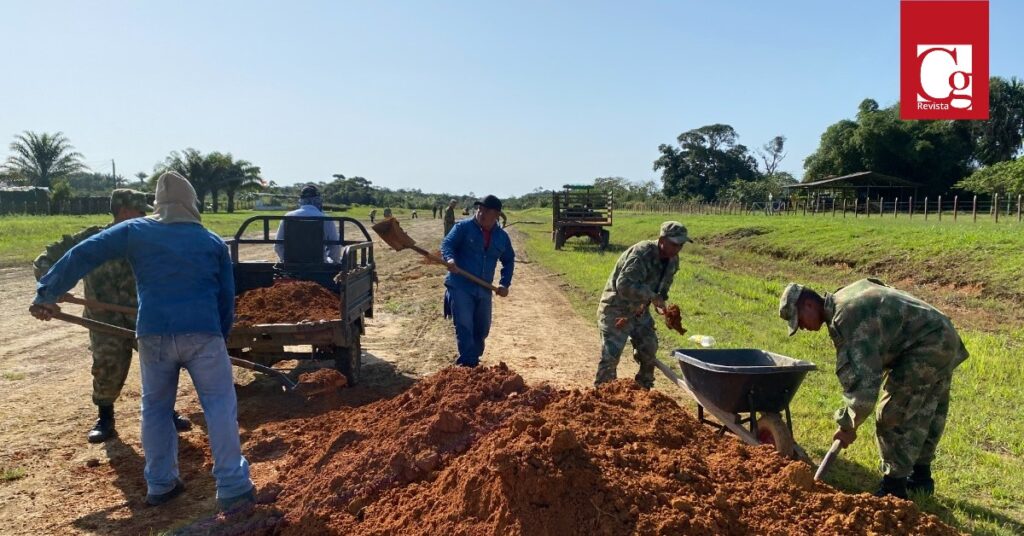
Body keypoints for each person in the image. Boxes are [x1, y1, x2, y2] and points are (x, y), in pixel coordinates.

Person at [30, 172, 255, 510]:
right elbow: (226, 298)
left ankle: (161, 484)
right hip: (203, 334)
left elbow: (84, 254)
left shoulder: (135, 231)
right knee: (220, 405)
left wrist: (47, 292)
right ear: (192, 204)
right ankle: (234, 487)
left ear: (159, 205)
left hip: (153, 335)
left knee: (155, 409)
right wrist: (219, 339)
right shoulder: (210, 242)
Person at [779, 278, 969, 499]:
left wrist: (847, 424)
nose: (802, 327)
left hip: (925, 346)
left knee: (892, 415)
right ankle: (920, 479)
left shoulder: (846, 318)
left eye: (799, 320)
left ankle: (893, 489)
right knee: (926, 409)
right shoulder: (846, 294)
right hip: (942, 334)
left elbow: (865, 386)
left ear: (809, 305)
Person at [32, 189, 191, 443]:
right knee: (106, 368)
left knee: (161, 366)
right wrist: (52, 290)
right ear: (125, 210)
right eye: (141, 210)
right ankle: (105, 419)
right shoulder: (91, 239)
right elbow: (48, 259)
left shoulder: (148, 237)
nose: (145, 215)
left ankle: (166, 413)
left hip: (144, 317)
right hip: (103, 319)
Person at [594, 222, 692, 389]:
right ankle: (603, 395)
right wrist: (652, 296)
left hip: (639, 311)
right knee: (611, 356)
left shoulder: (672, 261)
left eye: (681, 245)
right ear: (662, 240)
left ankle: (643, 391)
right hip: (616, 309)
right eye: (675, 244)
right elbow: (623, 285)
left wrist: (662, 305)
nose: (678, 248)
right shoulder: (642, 254)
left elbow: (662, 289)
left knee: (649, 349)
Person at [440, 195, 515, 367]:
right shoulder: (463, 228)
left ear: (496, 214)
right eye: (480, 208)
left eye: (487, 210)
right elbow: (447, 244)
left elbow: (509, 260)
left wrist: (504, 283)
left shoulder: (502, 237)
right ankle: (468, 364)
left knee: (482, 328)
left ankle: (473, 359)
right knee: (465, 324)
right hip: (460, 285)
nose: (481, 212)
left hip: (484, 288)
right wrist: (450, 259)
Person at [273, 185, 340, 263]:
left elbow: (278, 246)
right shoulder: (326, 219)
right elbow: (335, 248)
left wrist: (286, 261)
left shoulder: (288, 217)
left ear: (301, 201)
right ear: (318, 200)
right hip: (319, 266)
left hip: (291, 265)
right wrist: (335, 262)